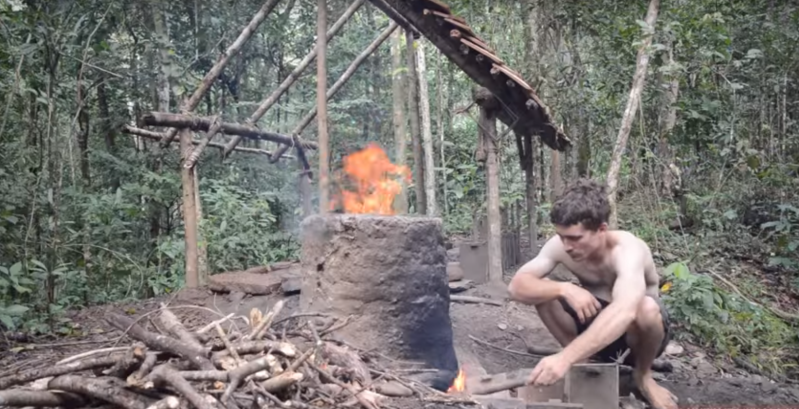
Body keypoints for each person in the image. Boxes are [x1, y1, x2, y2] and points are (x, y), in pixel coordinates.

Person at [507, 178, 678, 409]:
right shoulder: (560, 246)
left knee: (645, 308)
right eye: (562, 236)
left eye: (575, 238)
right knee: (542, 288)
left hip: (637, 341)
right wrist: (564, 288)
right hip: (592, 332)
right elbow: (517, 286)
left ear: (601, 230)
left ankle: (643, 376)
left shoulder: (628, 251)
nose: (567, 246)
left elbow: (625, 311)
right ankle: (584, 362)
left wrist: (564, 358)